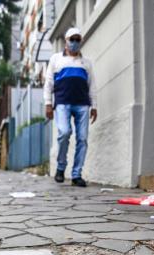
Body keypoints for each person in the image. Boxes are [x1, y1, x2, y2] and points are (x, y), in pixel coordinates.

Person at [44, 27, 97, 187]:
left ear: (80, 42)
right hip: (62, 103)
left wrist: (94, 106)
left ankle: (76, 174)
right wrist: (48, 103)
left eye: (77, 40)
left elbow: (92, 85)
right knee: (64, 132)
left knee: (82, 139)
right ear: (66, 41)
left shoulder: (86, 63)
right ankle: (60, 168)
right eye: (71, 39)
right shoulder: (55, 59)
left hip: (82, 104)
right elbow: (48, 83)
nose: (74, 43)